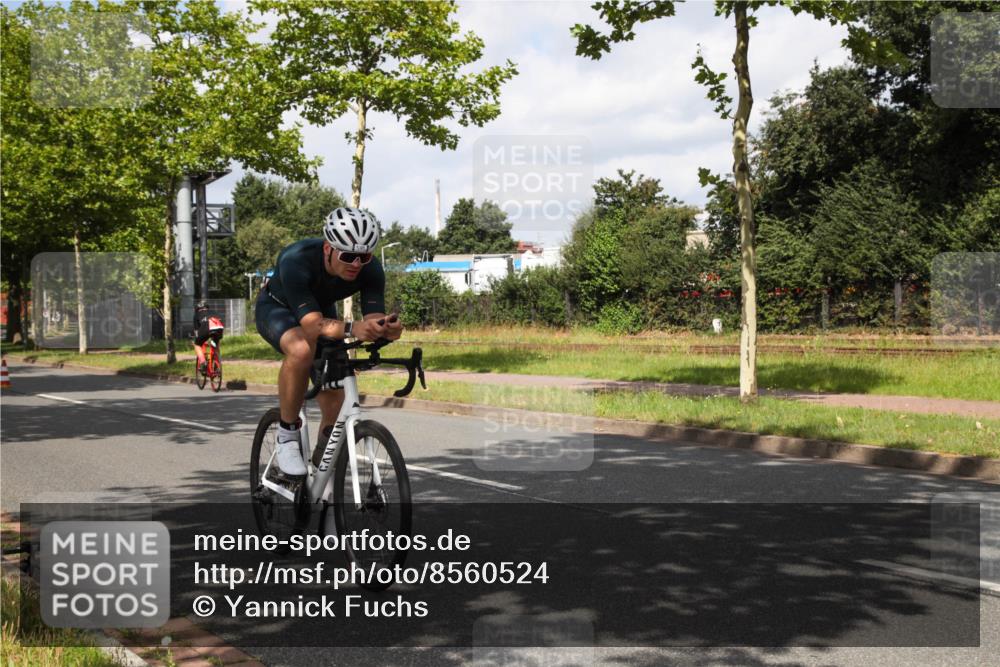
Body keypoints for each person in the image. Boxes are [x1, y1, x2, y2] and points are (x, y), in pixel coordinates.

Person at [255, 207, 403, 478]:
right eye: (348, 256)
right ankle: (287, 435)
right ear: (328, 249)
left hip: (322, 312)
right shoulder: (295, 259)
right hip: (278, 309)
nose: (356, 264)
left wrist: (387, 329)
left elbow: (373, 318)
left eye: (364, 257)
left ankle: (322, 462)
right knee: (301, 349)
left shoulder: (370, 269)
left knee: (336, 395)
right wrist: (354, 328)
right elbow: (312, 326)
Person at [193, 302, 224, 373]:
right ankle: (216, 364)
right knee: (215, 344)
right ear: (207, 308)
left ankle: (203, 363)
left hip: (207, 327)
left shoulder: (197, 315)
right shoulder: (214, 312)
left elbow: (196, 331)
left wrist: (197, 338)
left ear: (197, 309)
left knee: (197, 345)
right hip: (219, 327)